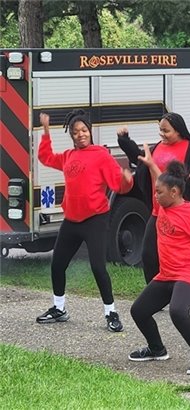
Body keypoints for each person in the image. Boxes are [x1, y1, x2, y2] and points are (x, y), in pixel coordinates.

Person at [36, 110, 133, 332]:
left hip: (95, 220)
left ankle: (111, 312)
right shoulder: (69, 156)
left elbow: (118, 184)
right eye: (75, 132)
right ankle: (58, 308)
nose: (80, 134)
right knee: (58, 264)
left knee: (98, 267)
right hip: (71, 221)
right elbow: (46, 157)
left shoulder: (100, 155)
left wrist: (127, 180)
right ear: (71, 135)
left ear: (89, 131)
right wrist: (46, 131)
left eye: (84, 130)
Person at [128, 150, 190, 375]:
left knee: (178, 311)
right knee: (139, 310)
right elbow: (160, 179)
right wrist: (151, 165)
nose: (156, 196)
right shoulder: (163, 204)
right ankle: (157, 349)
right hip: (167, 274)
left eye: (159, 193)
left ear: (175, 192)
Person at [117, 113, 190, 319]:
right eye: (160, 130)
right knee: (148, 254)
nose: (162, 134)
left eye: (166, 130)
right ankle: (158, 297)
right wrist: (124, 141)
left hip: (184, 215)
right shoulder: (158, 147)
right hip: (159, 212)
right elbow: (144, 163)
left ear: (179, 131)